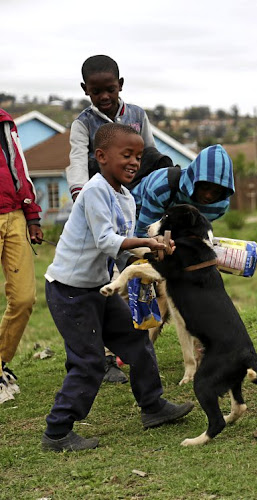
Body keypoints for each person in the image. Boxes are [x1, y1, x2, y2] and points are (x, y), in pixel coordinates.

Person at [41, 124, 193, 452]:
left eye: (138, 156)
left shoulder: (126, 197)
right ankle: (56, 431)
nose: (134, 162)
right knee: (89, 361)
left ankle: (153, 406)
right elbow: (106, 240)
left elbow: (122, 251)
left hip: (98, 288)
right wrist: (147, 242)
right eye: (126, 155)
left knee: (137, 339)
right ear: (101, 157)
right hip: (69, 291)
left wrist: (154, 256)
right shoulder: (96, 190)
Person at [66, 54, 157, 383]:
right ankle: (104, 357)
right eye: (96, 91)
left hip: (133, 201)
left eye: (110, 89)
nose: (104, 96)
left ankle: (143, 344)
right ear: (85, 90)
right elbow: (77, 160)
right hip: (99, 206)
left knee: (137, 273)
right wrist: (80, 195)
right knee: (102, 278)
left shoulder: (137, 115)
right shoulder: (82, 124)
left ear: (120, 85)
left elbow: (150, 153)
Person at [0, 109, 43, 404]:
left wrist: (32, 216)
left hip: (14, 215)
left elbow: (19, 169)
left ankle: (0, 362)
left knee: (25, 298)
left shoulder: (4, 121)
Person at [131, 144, 234, 239]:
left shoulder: (220, 205)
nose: (208, 196)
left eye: (216, 192)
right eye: (204, 188)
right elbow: (143, 234)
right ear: (195, 180)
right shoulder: (160, 188)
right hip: (136, 217)